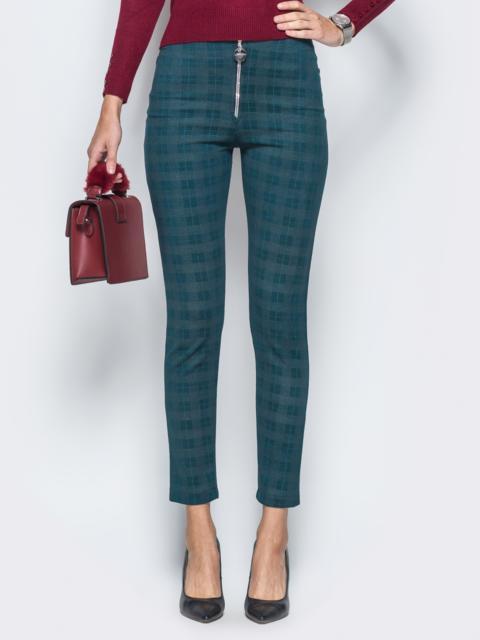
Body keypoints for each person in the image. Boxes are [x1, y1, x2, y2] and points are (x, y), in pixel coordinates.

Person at [87, 0, 396, 624]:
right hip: (183, 89)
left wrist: (341, 25)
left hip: (288, 86)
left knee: (280, 322)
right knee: (192, 322)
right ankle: (198, 533)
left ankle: (273, 534)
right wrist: (113, 101)